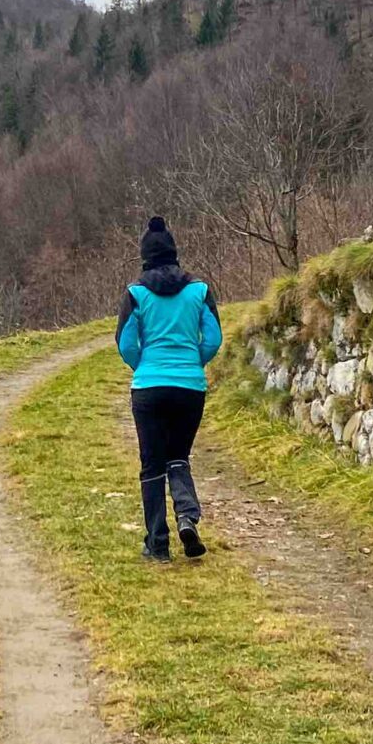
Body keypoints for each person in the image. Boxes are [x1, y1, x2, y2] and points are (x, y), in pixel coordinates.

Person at [114, 215, 221, 563]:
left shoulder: (136, 293)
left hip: (149, 387)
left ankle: (157, 544)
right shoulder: (200, 291)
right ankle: (187, 517)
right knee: (178, 456)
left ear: (145, 256)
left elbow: (126, 343)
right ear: (175, 253)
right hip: (190, 388)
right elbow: (214, 338)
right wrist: (194, 362)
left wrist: (143, 365)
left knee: (151, 465)